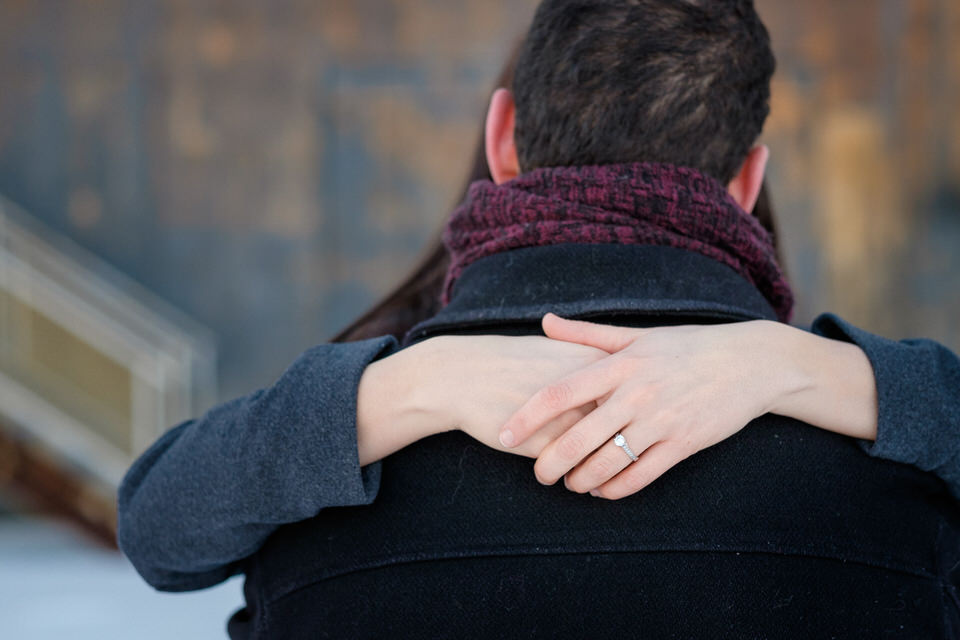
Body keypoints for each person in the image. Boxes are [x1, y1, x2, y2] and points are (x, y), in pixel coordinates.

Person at [118, 1, 960, 636]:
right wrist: (826, 373)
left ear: (503, 134)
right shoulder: (903, 484)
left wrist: (395, 392)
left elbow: (158, 532)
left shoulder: (316, 482)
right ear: (747, 181)